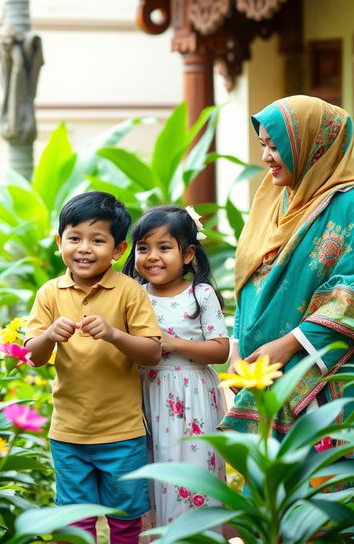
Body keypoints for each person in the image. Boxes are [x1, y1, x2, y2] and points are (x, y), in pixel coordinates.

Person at [222, 95, 354, 435]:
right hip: (262, 368)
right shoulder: (276, 196)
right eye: (263, 145)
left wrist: (289, 343)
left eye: (275, 146)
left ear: (311, 145)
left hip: (322, 374)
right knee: (271, 482)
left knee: (321, 476)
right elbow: (251, 277)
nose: (265, 158)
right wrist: (235, 345)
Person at [24, 192, 162, 544]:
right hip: (69, 433)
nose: (84, 248)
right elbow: (33, 356)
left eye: (97, 240)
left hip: (122, 432)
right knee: (75, 523)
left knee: (126, 520)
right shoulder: (50, 294)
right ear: (59, 242)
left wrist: (115, 334)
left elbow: (151, 353)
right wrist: (49, 336)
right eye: (74, 238)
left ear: (119, 250)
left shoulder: (130, 292)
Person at [122, 206, 229, 527]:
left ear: (188, 254)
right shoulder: (135, 295)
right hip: (148, 394)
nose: (152, 256)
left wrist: (174, 344)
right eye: (144, 248)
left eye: (164, 247)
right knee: (156, 469)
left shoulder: (201, 294)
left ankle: (198, 532)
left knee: (195, 469)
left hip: (193, 395)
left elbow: (220, 350)